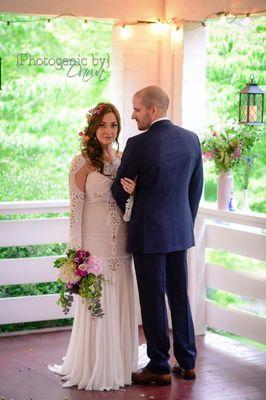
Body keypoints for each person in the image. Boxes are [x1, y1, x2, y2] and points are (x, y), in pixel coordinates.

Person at [111, 86, 203, 385]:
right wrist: (182, 223)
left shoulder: (138, 144)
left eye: (136, 109)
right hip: (179, 232)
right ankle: (188, 363)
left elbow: (118, 189)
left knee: (152, 299)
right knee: (179, 296)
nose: (133, 114)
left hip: (148, 233)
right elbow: (195, 190)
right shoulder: (191, 139)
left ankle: (160, 366)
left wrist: (130, 200)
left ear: (152, 110)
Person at [49, 103, 139, 391]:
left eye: (113, 125)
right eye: (102, 125)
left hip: (122, 242)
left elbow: (130, 204)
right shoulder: (81, 162)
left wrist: (134, 193)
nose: (108, 130)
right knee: (99, 301)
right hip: (94, 244)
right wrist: (75, 252)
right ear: (92, 128)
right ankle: (94, 365)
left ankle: (121, 364)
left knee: (120, 296)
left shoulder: (124, 159)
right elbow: (75, 209)